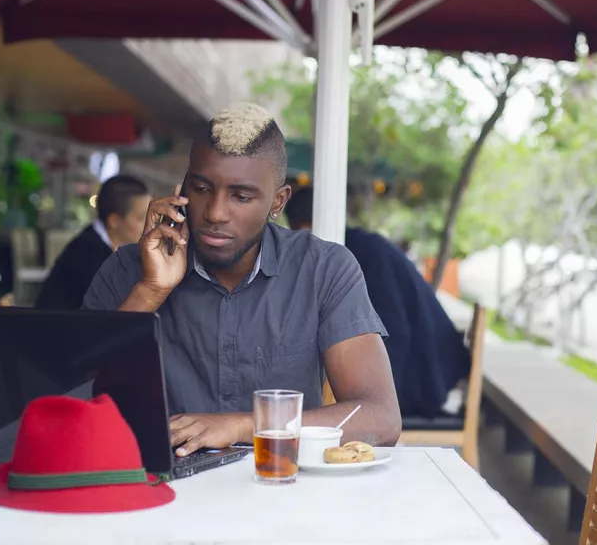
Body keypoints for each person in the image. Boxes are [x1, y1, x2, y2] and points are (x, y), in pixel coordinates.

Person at [82, 103, 401, 455]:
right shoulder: (127, 269)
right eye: (202, 189)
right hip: (158, 488)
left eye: (241, 196)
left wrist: (245, 425)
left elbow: (380, 418)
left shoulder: (322, 269)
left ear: (277, 202)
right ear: (183, 187)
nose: (216, 213)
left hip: (280, 487)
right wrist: (150, 291)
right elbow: (76, 397)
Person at [284, 187, 471, 419]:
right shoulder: (362, 245)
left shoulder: (356, 256)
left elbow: (394, 332)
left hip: (428, 380)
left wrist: (380, 408)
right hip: (429, 366)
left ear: (303, 228)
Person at [35, 175, 151, 310]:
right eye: (142, 218)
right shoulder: (88, 257)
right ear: (114, 221)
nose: (150, 224)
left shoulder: (94, 242)